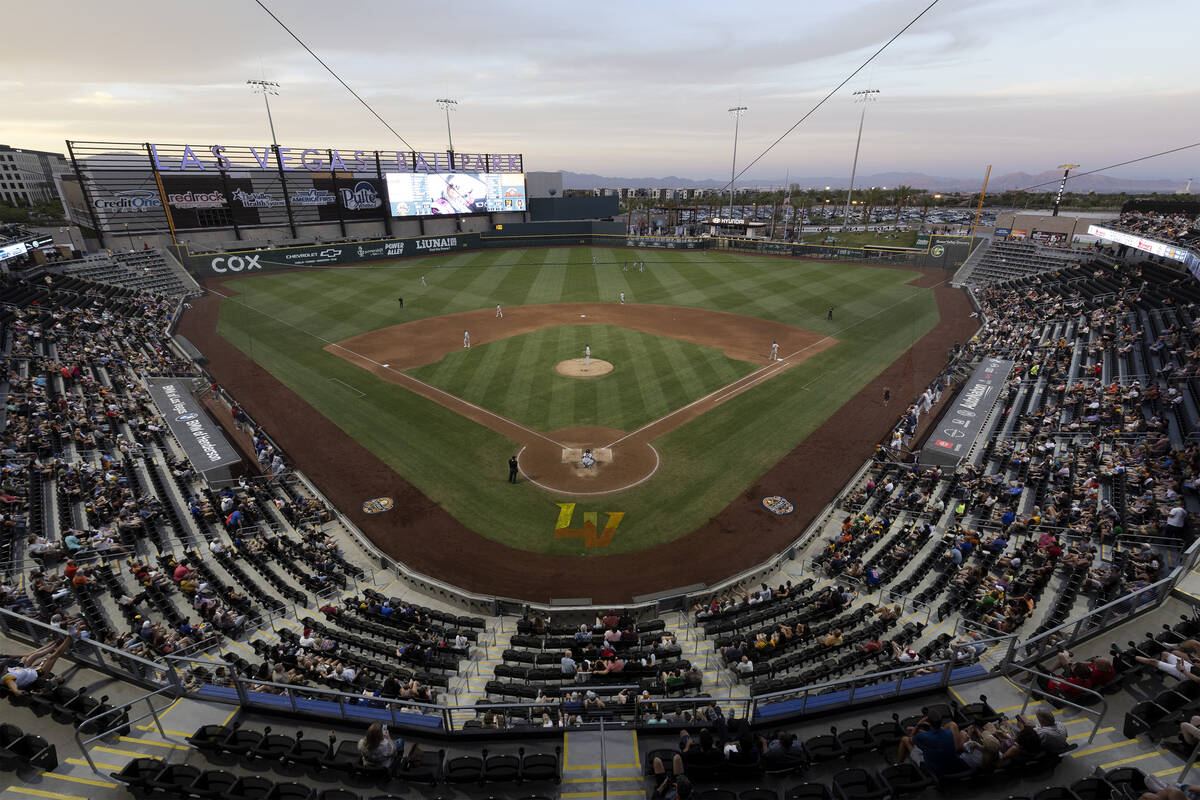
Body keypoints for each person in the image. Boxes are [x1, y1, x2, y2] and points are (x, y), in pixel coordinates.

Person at [2, 638, 71, 696]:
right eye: (3, 665)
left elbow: (22, 671)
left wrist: (30, 666)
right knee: (52, 657)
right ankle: (70, 638)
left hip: (32, 670)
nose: (5, 665)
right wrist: (16, 691)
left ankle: (62, 642)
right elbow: (11, 684)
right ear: (3, 669)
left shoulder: (6, 671)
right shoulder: (6, 678)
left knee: (46, 659)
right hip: (38, 674)